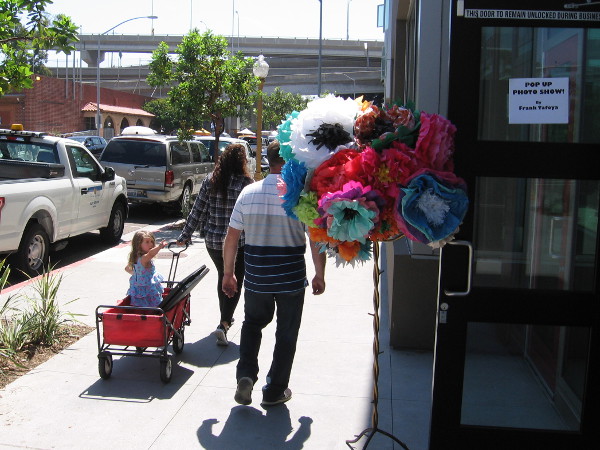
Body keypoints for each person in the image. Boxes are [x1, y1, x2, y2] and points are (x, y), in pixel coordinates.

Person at [222, 140, 326, 408]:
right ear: (290, 160)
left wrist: (228, 273)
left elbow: (231, 238)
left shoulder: (248, 193)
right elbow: (316, 239)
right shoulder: (298, 196)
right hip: (290, 278)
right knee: (286, 333)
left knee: (252, 324)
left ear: (267, 160)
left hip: (257, 278)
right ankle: (274, 391)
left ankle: (245, 375)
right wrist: (319, 273)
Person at [178, 143, 253, 346]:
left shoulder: (210, 181)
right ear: (242, 162)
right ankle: (225, 322)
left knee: (224, 275)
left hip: (213, 241)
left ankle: (225, 318)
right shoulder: (246, 184)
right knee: (234, 279)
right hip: (239, 242)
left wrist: (184, 235)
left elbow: (197, 211)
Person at [125, 230, 168, 307]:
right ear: (138, 245)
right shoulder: (144, 258)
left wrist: (138, 275)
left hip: (142, 292)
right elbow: (151, 254)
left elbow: (127, 268)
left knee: (144, 308)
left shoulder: (136, 257)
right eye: (147, 242)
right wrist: (159, 247)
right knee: (153, 307)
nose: (151, 244)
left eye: (151, 241)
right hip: (148, 293)